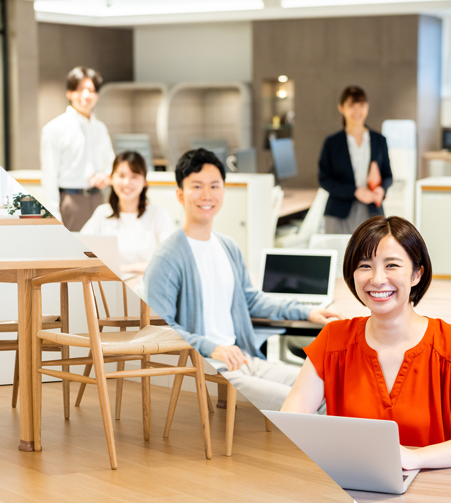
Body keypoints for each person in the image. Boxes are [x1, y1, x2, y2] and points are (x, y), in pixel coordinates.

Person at [281, 216, 451, 471]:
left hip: (432, 485)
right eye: (365, 265)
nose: (377, 279)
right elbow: (290, 425)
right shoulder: (334, 339)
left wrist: (415, 459)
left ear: (417, 274)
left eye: (392, 265)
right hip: (352, 484)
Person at [144, 149, 342, 411]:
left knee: (330, 389)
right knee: (307, 403)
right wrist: (212, 348)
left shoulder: (228, 246)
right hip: (209, 366)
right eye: (197, 186)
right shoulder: (167, 258)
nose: (207, 195)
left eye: (214, 186)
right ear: (180, 194)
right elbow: (159, 328)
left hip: (244, 359)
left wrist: (307, 311)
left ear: (223, 191)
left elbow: (251, 299)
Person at [40, 66, 115, 231]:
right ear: (69, 93)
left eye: (91, 90)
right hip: (71, 202)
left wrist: (106, 177)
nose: (86, 95)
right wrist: (52, 215)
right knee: (74, 254)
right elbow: (49, 177)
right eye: (80, 89)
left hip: (98, 200)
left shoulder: (100, 128)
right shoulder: (54, 129)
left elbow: (111, 164)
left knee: (101, 253)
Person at [80, 151, 174, 274]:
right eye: (121, 176)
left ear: (144, 182)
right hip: (110, 288)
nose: (126, 183)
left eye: (134, 176)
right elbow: (80, 253)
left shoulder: (158, 214)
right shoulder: (102, 213)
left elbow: (169, 261)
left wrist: (120, 269)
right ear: (111, 179)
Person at [318, 86, 393, 234]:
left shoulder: (379, 140)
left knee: (371, 254)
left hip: (372, 210)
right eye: (352, 106)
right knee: (340, 255)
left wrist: (381, 190)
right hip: (339, 212)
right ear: (341, 108)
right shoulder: (332, 143)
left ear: (367, 107)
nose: (357, 111)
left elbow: (388, 175)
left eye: (362, 105)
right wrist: (355, 191)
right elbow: (324, 179)